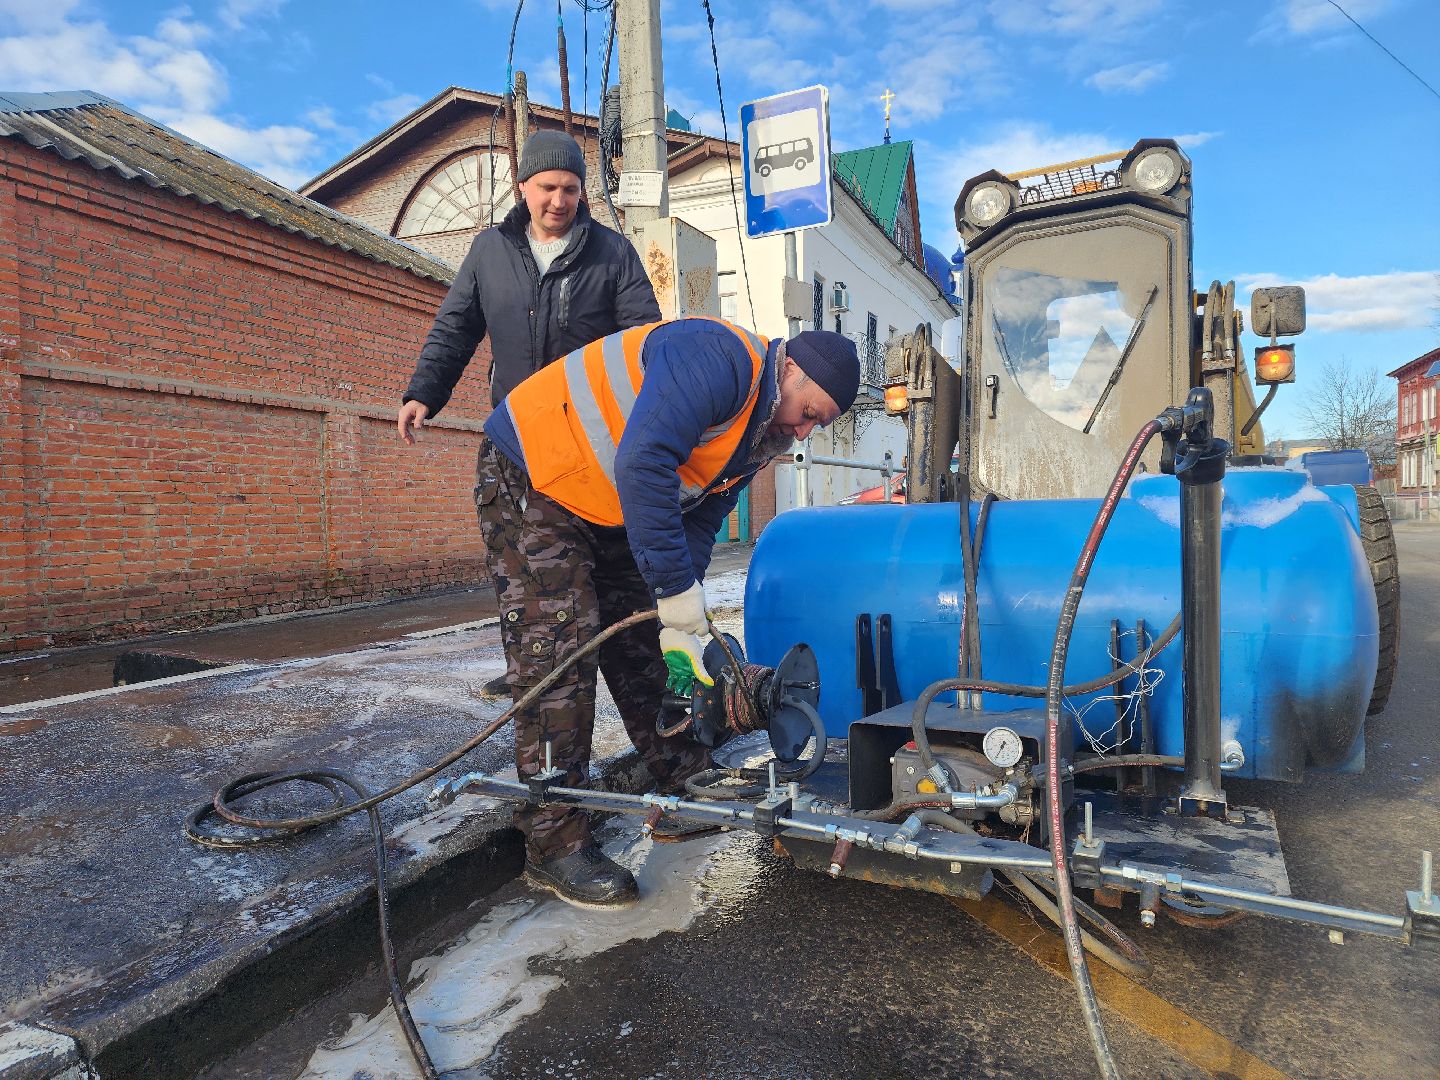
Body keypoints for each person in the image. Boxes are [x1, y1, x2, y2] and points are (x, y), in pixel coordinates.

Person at [456, 316, 860, 907]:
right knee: (559, 649)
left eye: (815, 426)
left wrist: (682, 613)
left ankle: (683, 776)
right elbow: (643, 464)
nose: (802, 432)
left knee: (650, 635)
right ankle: (554, 842)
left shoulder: (758, 434)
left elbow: (695, 520)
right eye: (809, 413)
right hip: (535, 472)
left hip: (603, 497)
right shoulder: (718, 360)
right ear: (792, 369)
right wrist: (673, 591)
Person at [397, 130, 660, 694]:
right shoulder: (489, 252)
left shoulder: (613, 254)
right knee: (518, 575)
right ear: (523, 188)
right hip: (514, 443)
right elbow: (456, 327)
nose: (558, 201)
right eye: (547, 188)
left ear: (583, 193)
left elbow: (643, 342)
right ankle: (529, 676)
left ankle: (605, 690)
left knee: (594, 579)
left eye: (570, 189)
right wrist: (423, 392)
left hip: (588, 446)